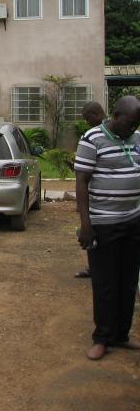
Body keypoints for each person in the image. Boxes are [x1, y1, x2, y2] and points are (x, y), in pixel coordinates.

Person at [74, 95, 140, 361]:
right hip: (104, 223)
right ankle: (102, 338)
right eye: (130, 123)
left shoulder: (136, 139)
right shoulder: (92, 139)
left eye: (136, 124)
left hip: (133, 221)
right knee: (105, 283)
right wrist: (86, 225)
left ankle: (121, 335)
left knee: (128, 282)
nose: (132, 128)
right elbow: (81, 181)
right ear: (115, 115)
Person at [74, 101, 108, 279]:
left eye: (87, 118)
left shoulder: (100, 135)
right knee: (92, 234)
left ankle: (99, 270)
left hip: (105, 204)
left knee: (95, 234)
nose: (87, 122)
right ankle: (94, 268)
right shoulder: (92, 136)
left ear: (96, 114)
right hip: (96, 199)